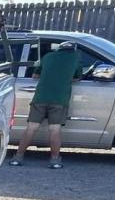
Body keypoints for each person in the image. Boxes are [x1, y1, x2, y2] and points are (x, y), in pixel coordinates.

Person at [11, 41, 82, 169]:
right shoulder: (76, 58)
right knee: (55, 130)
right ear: (73, 49)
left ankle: (17, 157)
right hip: (59, 99)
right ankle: (54, 160)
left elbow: (34, 75)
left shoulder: (47, 57)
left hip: (40, 98)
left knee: (31, 128)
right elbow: (76, 77)